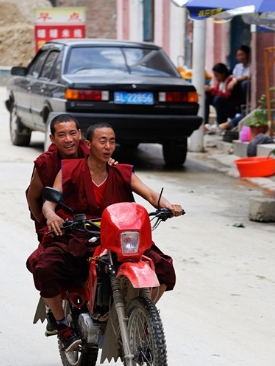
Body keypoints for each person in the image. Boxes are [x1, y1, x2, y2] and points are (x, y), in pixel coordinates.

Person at [35, 122, 183, 352]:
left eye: (112, 141)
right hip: (80, 234)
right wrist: (52, 215)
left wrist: (168, 205)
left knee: (162, 269)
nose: (108, 146)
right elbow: (49, 203)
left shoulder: (121, 171)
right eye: (102, 140)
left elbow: (151, 194)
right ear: (87, 144)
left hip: (119, 235)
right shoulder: (70, 170)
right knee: (46, 267)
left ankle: (140, 317)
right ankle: (62, 325)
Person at [25, 114, 114, 338]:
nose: (68, 140)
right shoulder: (46, 163)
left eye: (73, 133)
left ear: (81, 135)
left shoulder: (92, 153)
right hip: (57, 221)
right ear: (52, 139)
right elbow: (33, 197)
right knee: (48, 264)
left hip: (90, 222)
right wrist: (46, 222)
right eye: (62, 135)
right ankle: (58, 318)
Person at [204, 63, 239, 130]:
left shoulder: (230, 80)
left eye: (217, 76)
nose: (216, 78)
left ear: (223, 74)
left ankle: (219, 123)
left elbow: (227, 96)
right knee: (207, 99)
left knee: (218, 99)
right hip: (224, 105)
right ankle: (205, 123)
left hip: (232, 108)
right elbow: (215, 92)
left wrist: (212, 90)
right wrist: (208, 91)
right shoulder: (220, 82)